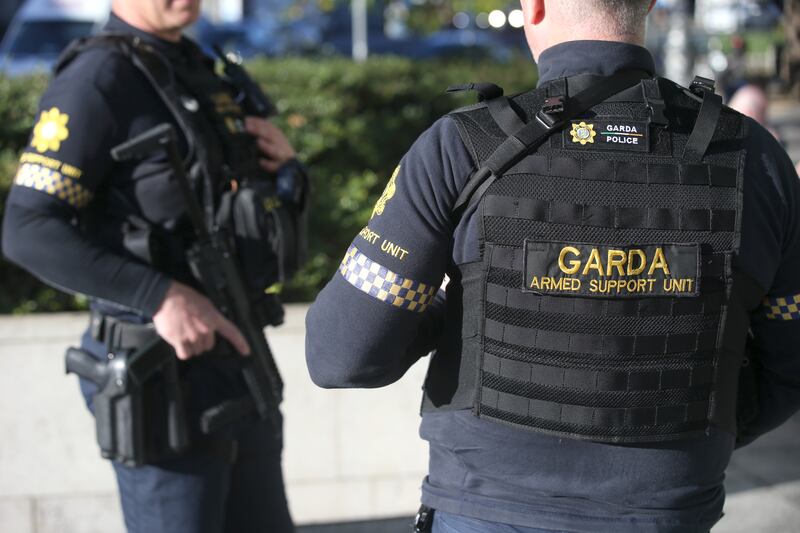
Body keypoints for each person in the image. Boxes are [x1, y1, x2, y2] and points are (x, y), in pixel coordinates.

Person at [305, 0, 800, 532]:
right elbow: (788, 365)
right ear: (650, 4)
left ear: (533, 6)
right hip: (671, 512)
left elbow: (342, 355)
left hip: (485, 510)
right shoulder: (755, 159)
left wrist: (465, 309)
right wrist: (688, 422)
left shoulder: (463, 148)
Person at [1, 1, 307, 532]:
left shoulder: (194, 66)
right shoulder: (98, 77)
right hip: (164, 380)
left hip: (238, 361)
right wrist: (159, 295)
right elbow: (28, 229)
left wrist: (290, 171)